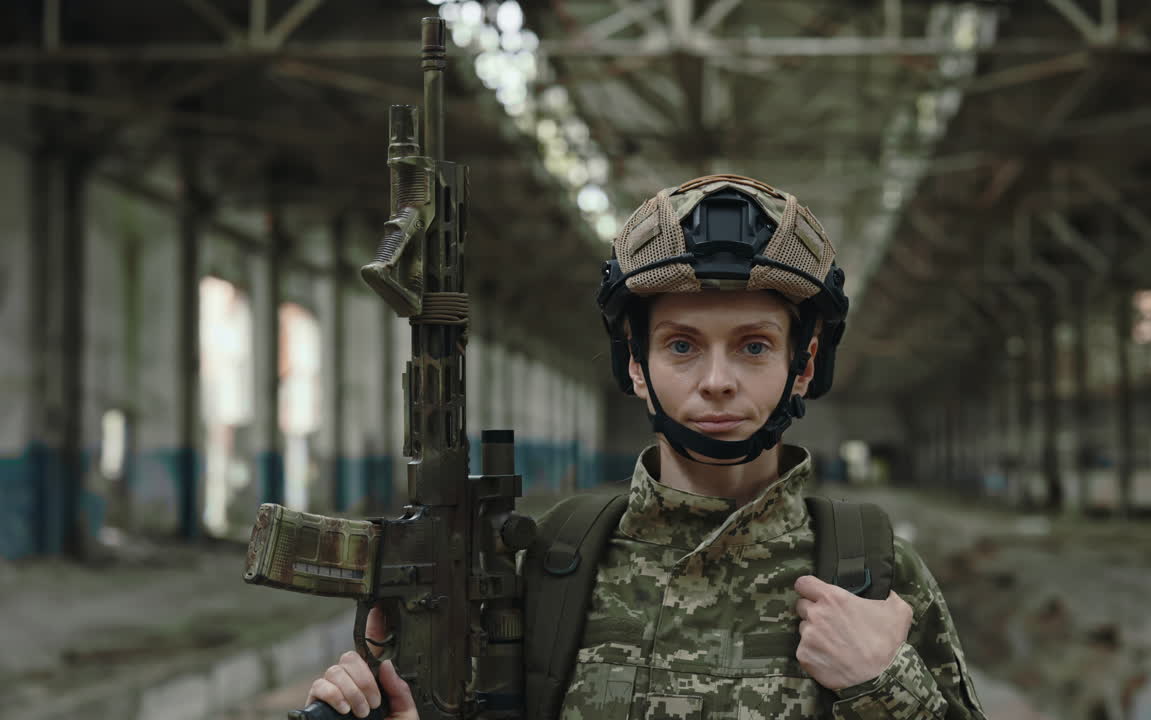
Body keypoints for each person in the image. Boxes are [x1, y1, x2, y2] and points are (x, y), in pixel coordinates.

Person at [305, 175, 987, 719]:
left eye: (754, 346)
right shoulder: (542, 568)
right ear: (636, 364)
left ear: (802, 366)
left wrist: (884, 687)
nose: (716, 382)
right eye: (682, 346)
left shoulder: (875, 574)